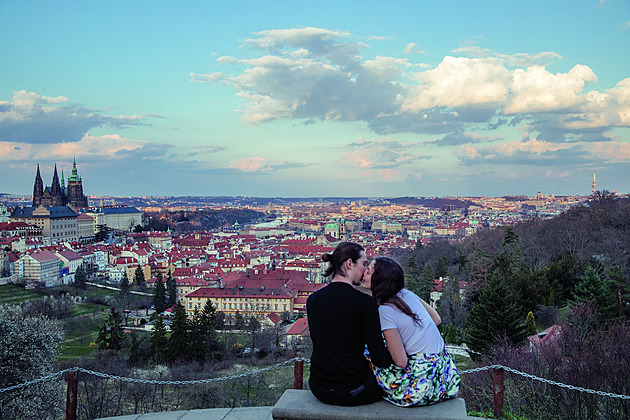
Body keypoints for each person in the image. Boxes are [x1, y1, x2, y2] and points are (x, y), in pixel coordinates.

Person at [361, 256, 461, 407]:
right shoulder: (407, 294)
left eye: (368, 272)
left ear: (379, 279)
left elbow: (401, 362)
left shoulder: (385, 310)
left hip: (419, 387)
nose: (363, 274)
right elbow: (436, 319)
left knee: (367, 350)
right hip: (445, 377)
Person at [306, 242, 394, 406]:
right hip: (355, 390)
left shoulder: (313, 300)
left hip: (318, 388)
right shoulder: (365, 303)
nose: (365, 271)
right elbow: (379, 358)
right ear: (349, 264)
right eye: (363, 264)